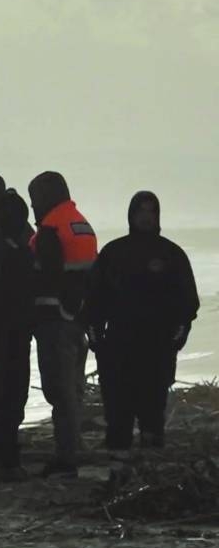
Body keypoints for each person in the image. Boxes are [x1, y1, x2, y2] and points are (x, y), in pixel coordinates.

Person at [79, 192, 199, 479]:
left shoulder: (172, 254)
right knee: (118, 413)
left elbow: (188, 304)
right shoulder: (113, 253)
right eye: (141, 211)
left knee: (152, 410)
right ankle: (117, 474)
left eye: (151, 211)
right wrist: (97, 341)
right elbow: (94, 302)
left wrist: (177, 338)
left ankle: (150, 474)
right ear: (131, 214)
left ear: (157, 216)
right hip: (119, 346)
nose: (146, 216)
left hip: (157, 347)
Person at [27, 171, 97, 478]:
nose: (33, 207)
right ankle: (74, 446)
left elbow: (46, 278)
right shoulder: (81, 224)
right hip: (78, 320)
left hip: (55, 321)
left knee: (59, 390)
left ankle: (66, 455)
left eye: (35, 199)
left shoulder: (50, 232)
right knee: (74, 389)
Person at [0, 189, 34, 480]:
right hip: (0, 332)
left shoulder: (14, 246)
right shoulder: (0, 247)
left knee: (8, 396)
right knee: (1, 396)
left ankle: (2, 458)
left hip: (12, 332)